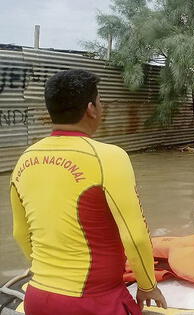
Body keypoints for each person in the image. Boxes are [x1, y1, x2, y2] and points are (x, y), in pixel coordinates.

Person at [9, 70, 167, 315]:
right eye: (101, 101)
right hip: (93, 301)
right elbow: (135, 236)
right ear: (92, 108)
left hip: (37, 297)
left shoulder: (24, 160)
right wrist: (148, 285)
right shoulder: (109, 157)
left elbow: (20, 233)